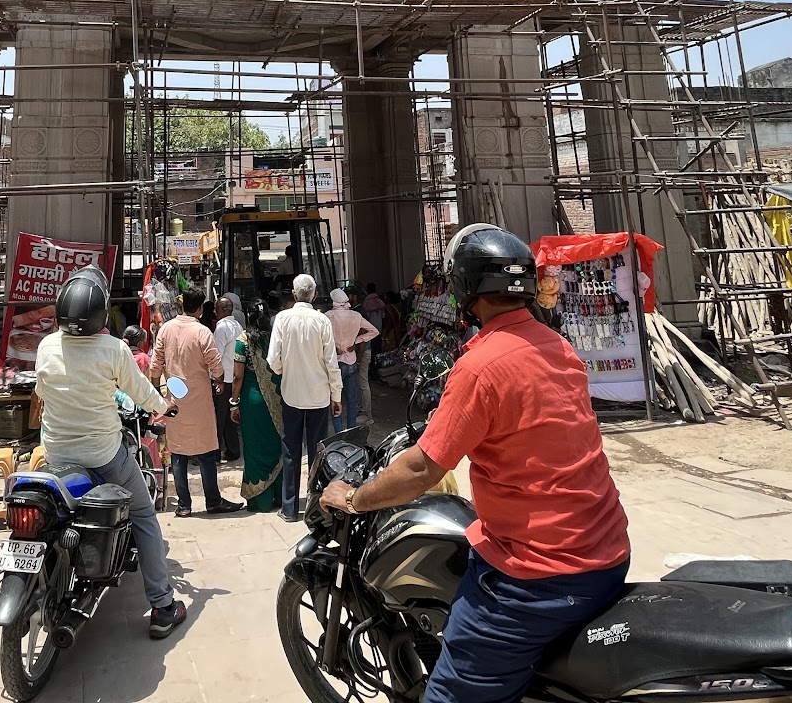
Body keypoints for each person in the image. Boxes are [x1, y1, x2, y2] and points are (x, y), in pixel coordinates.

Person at [318, 225, 631, 703]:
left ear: (464, 289)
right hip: (607, 550)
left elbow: (423, 469)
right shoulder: (558, 346)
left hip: (538, 576)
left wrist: (356, 498)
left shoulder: (481, 366)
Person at [34, 265, 189, 639]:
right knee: (144, 515)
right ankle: (163, 606)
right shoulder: (113, 349)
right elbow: (142, 393)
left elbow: (42, 392)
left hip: (54, 455)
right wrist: (164, 406)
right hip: (105, 456)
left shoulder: (46, 346)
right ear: (102, 312)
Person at [149, 287, 244, 518]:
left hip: (175, 398)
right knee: (207, 451)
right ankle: (212, 501)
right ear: (200, 309)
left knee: (179, 452)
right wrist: (220, 383)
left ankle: (184, 505)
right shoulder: (202, 332)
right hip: (200, 399)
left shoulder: (165, 330)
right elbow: (217, 366)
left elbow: (155, 365)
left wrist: (157, 392)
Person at [267, 273, 341, 522]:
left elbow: (273, 359)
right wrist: (337, 394)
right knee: (318, 454)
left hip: (292, 394)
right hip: (319, 396)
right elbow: (332, 362)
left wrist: (283, 371)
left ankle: (289, 508)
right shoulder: (322, 321)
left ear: (294, 294)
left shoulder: (282, 319)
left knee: (290, 451)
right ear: (315, 295)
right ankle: (315, 507)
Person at [229, 301, 285, 511]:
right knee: (276, 444)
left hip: (252, 398)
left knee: (254, 448)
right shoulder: (275, 338)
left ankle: (260, 501)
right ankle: (280, 497)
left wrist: (233, 404)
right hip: (277, 397)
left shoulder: (243, 340)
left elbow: (237, 376)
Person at [327, 288, 377, 432]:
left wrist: (332, 347)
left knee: (336, 399)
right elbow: (374, 331)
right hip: (351, 361)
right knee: (352, 400)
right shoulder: (356, 315)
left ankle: (338, 432)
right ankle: (351, 432)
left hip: (335, 362)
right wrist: (356, 341)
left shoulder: (328, 316)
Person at [212, 293, 244, 462]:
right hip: (234, 379)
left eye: (217, 309)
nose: (215, 312)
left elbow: (216, 356)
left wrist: (215, 379)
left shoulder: (222, 328)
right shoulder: (237, 326)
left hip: (223, 380)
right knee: (229, 417)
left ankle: (215, 454)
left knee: (218, 417)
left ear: (224, 310)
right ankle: (233, 450)